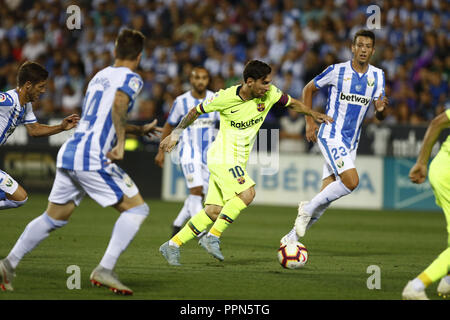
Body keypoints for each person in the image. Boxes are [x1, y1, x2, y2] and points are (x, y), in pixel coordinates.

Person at [0, 29, 162, 295]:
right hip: (93, 157)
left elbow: (102, 118)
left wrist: (138, 130)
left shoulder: (99, 76)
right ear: (140, 56)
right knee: (137, 210)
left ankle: (8, 264)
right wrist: (121, 143)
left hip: (71, 151)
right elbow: (119, 104)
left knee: (55, 216)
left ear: (114, 51)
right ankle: (105, 269)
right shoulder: (131, 78)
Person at [158, 60, 333, 266]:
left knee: (213, 211)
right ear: (250, 82)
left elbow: (292, 102)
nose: (268, 87)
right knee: (247, 193)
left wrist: (312, 114)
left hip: (236, 160)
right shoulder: (225, 97)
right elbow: (195, 111)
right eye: (264, 83)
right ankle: (212, 236)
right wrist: (176, 134)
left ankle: (172, 245)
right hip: (222, 157)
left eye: (269, 83)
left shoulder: (269, 94)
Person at [281, 30, 388, 243]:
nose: (363, 50)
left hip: (351, 142)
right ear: (353, 48)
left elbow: (380, 115)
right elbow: (308, 89)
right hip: (331, 134)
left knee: (325, 198)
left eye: (368, 46)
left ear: (373, 50)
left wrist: (381, 109)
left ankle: (290, 239)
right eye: (360, 45)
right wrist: (309, 122)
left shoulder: (378, 76)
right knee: (352, 181)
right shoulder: (337, 70)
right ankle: (306, 207)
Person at [0, 61, 79, 211]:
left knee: (19, 198)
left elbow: (35, 130)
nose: (43, 91)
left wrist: (61, 127)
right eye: (41, 86)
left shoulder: (25, 105)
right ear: (28, 85)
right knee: (18, 197)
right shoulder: (9, 100)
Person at [155, 67, 219, 237]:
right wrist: (161, 151)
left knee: (201, 194)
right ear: (191, 80)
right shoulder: (181, 101)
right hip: (188, 152)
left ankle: (177, 224)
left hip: (209, 155)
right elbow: (169, 124)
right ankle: (202, 233)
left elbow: (225, 123)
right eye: (197, 77)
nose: (200, 81)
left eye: (204, 78)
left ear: (208, 80)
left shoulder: (215, 99)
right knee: (196, 190)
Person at [402, 109, 450, 300]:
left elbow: (437, 122)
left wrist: (422, 162)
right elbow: (437, 122)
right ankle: (416, 286)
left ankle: (447, 282)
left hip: (441, 168)